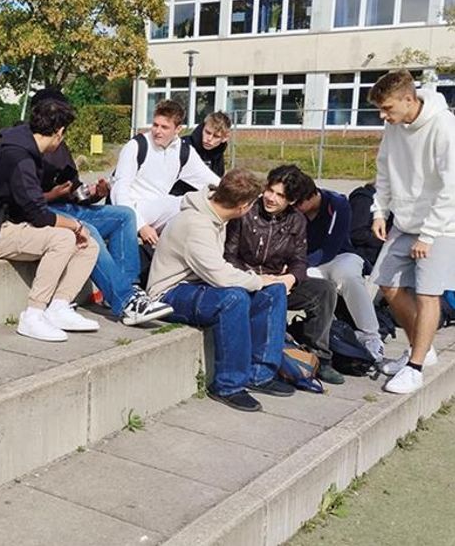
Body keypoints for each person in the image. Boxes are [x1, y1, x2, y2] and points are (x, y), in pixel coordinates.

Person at [147, 169, 293, 412]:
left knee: (274, 291)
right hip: (171, 292)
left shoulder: (216, 214)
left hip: (201, 284)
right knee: (233, 299)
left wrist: (267, 282)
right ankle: (228, 385)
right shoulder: (197, 224)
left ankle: (260, 373)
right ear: (244, 206)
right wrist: (258, 280)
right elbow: (220, 275)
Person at [36, 89, 172, 326]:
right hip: (43, 210)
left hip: (68, 205)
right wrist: (52, 194)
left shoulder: (61, 146)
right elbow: (22, 199)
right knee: (88, 230)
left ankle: (128, 289)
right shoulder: (27, 147)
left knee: (125, 215)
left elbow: (75, 189)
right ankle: (124, 300)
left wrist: (94, 193)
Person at [0, 95, 99, 342]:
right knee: (65, 238)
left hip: (16, 225)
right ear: (59, 132)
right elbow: (40, 215)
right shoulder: (20, 157)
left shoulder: (23, 147)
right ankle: (33, 314)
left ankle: (59, 307)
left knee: (89, 245)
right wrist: (76, 224)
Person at [367, 69, 455, 394]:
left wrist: (428, 234)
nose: (382, 115)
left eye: (387, 108)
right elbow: (384, 170)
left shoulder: (444, 125)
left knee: (428, 293)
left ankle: (415, 366)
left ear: (408, 99)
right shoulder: (394, 127)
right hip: (404, 221)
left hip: (442, 224)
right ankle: (423, 346)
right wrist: (380, 211)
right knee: (387, 284)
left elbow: (451, 186)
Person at [224, 164, 344, 384]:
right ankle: (271, 361)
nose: (271, 198)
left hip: (278, 280)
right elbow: (229, 256)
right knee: (272, 293)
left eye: (280, 195)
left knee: (324, 290)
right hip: (246, 278)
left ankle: (319, 357)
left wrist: (291, 278)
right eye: (270, 190)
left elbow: (300, 260)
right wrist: (256, 278)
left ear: (291, 201)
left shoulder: (296, 220)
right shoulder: (246, 211)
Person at [294, 175, 382, 362]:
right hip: (308, 262)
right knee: (310, 283)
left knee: (347, 274)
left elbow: (330, 249)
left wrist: (300, 265)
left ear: (312, 196)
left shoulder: (337, 203)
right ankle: (329, 335)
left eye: (298, 203)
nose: (295, 208)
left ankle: (371, 335)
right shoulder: (296, 208)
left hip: (339, 255)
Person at [111, 100, 221, 247]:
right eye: (155, 125)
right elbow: (119, 191)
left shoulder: (184, 151)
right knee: (184, 202)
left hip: (160, 211)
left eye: (164, 127)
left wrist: (243, 195)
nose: (157, 131)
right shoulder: (136, 146)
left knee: (203, 202)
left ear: (178, 129)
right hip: (133, 209)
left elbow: (211, 181)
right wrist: (141, 226)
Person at [170, 111, 232, 196]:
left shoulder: (218, 154)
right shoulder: (183, 146)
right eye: (207, 132)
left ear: (225, 138)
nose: (209, 139)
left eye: (216, 136)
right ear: (203, 127)